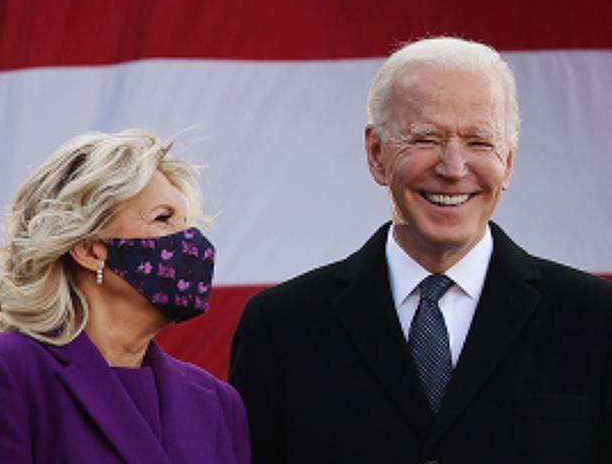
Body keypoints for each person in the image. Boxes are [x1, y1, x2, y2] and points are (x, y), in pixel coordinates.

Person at [229, 37, 612, 464]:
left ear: (508, 162)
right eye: (426, 139)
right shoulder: (281, 328)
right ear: (376, 154)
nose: (453, 168)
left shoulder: (596, 320)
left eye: (479, 142)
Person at [0, 130, 250, 463]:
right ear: (89, 250)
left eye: (186, 223)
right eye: (163, 218)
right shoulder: (1, 372)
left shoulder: (217, 402)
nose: (191, 241)